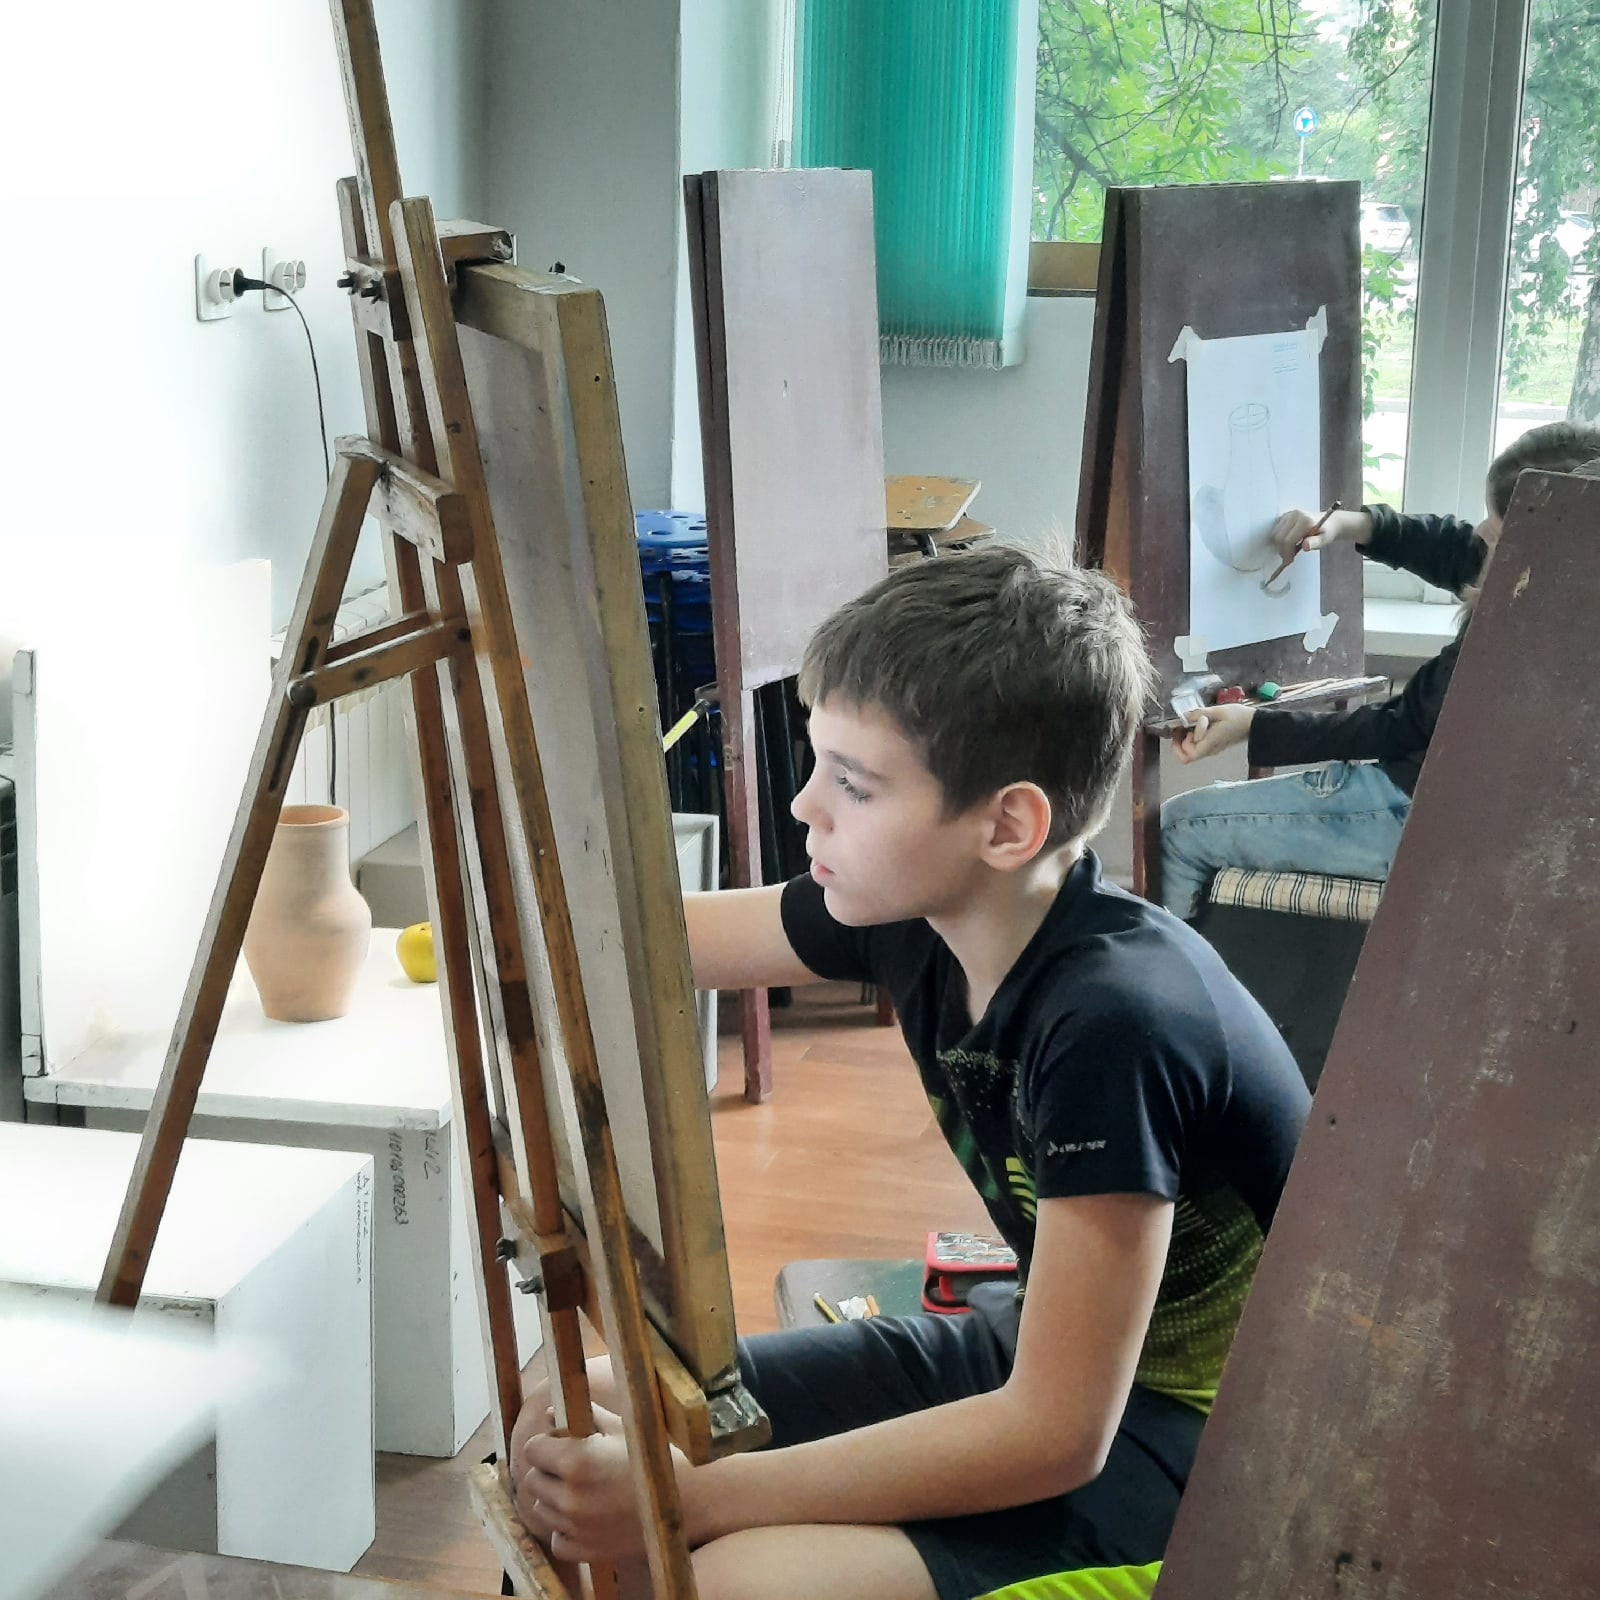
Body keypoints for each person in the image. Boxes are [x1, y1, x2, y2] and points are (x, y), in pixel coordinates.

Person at [506, 545, 1311, 1600]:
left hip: (1199, 1448)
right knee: (578, 1415)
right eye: (816, 764)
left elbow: (1057, 1432)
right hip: (1025, 1357)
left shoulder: (1117, 1021)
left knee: (736, 1578)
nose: (805, 807)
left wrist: (693, 1498)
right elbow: (633, 944)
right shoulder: (919, 910)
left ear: (1005, 824)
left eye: (853, 783)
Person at [1159, 421, 1600, 922]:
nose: (1481, 532)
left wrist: (1253, 726)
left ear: (1536, 544)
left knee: (1178, 827)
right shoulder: (1571, 582)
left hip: (1424, 817)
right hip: (1475, 813)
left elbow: (1395, 727)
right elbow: (1457, 547)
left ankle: (1171, 973)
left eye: (1497, 529)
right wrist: (1347, 525)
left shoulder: (1516, 636)